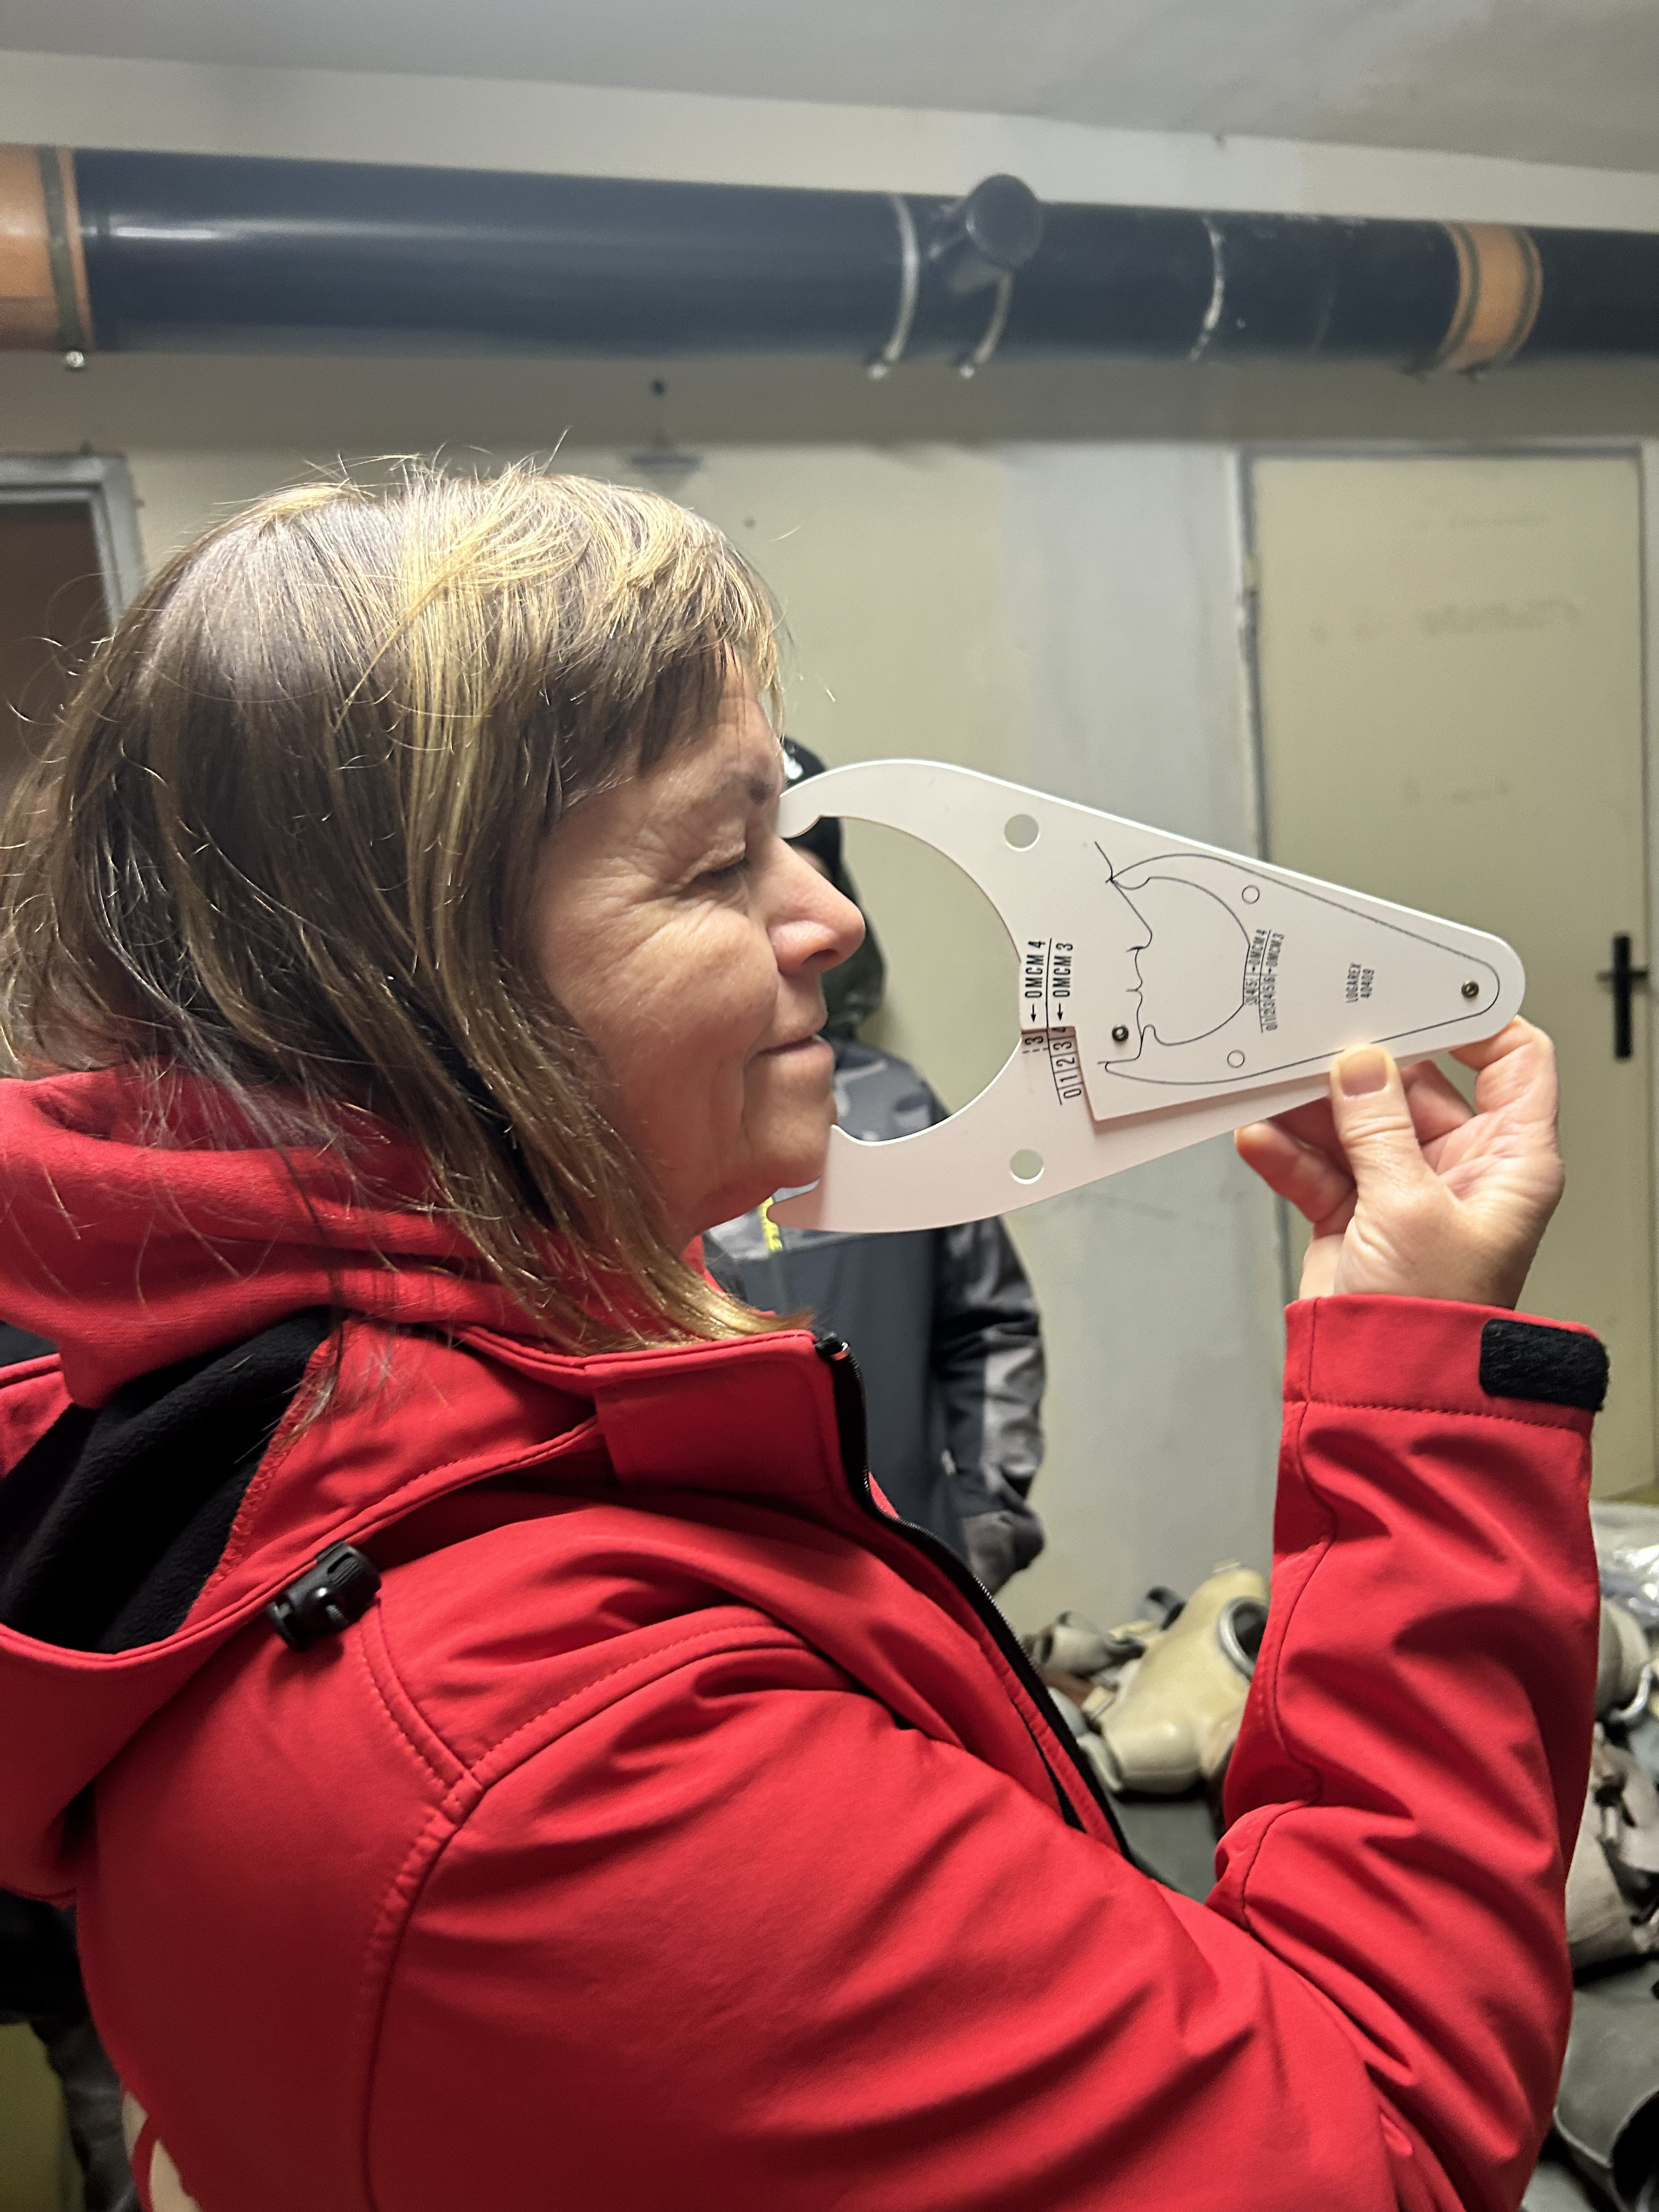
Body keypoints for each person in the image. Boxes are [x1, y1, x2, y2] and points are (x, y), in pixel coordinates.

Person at [0, 465, 1597, 2212]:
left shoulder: (305, 1441)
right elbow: (1367, 2159)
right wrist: (1415, 1396)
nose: (832, 917)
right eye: (715, 862)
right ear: (406, 986)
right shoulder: (553, 1759)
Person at [704, 738, 1046, 1593]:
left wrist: (986, 1518)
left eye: (807, 870)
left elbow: (988, 1323)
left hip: (916, 1577)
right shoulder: (631, 1140)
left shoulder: (899, 1107)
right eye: (737, 875)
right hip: (739, 1600)